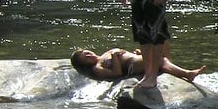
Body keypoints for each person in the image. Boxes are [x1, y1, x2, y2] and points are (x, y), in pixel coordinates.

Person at [70, 47, 205, 83]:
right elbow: (116, 74)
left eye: (87, 53)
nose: (89, 55)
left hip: (134, 59)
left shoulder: (104, 54)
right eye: (85, 58)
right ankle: (187, 74)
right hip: (131, 66)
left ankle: (184, 73)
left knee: (161, 47)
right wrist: (115, 57)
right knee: (160, 60)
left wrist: (136, 53)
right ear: (84, 65)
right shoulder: (97, 68)